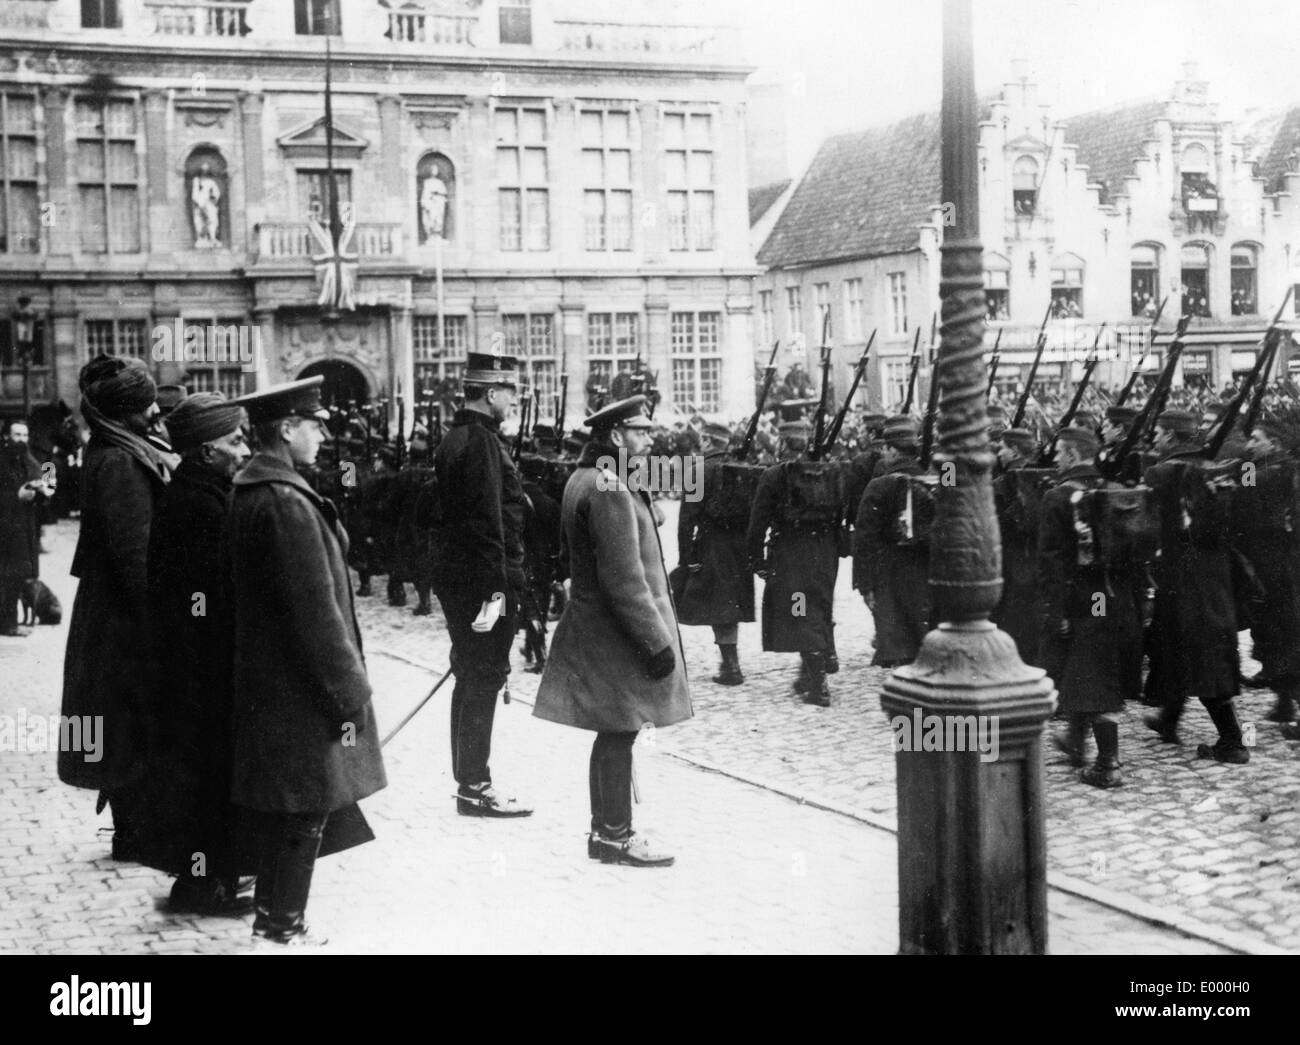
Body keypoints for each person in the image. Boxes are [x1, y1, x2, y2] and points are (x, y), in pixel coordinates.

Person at [226, 377, 387, 944]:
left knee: (285, 808)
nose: (323, 434)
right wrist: (351, 695)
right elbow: (316, 615)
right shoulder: (286, 503)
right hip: (300, 688)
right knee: (306, 810)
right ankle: (282, 929)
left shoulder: (254, 492)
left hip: (271, 682)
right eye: (313, 424)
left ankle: (273, 920)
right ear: (286, 429)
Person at [534, 395, 690, 866]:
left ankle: (608, 833)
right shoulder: (610, 488)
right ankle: (614, 836)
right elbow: (625, 581)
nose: (650, 438)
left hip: (597, 626)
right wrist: (656, 643)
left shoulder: (589, 479)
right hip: (617, 631)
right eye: (640, 431)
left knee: (614, 732)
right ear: (616, 437)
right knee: (620, 732)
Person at [142, 393, 254, 915]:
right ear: (207, 450)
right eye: (234, 441)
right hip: (201, 666)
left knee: (204, 780)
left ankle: (209, 879)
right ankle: (202, 884)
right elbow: (201, 593)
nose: (243, 449)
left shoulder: (198, 491)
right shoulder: (198, 504)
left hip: (193, 661)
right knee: (206, 782)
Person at [59, 355, 168, 861]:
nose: (154, 410)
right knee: (133, 720)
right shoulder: (122, 462)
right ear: (125, 412)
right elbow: (135, 556)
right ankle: (136, 831)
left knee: (124, 722)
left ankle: (134, 826)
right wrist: (161, 623)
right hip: (125, 620)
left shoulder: (112, 448)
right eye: (145, 403)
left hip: (111, 613)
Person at [428, 350, 532, 817]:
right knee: (484, 679)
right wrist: (495, 598)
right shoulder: (483, 444)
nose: (515, 400)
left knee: (470, 677)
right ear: (491, 394)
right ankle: (475, 786)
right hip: (482, 588)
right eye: (510, 392)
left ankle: (468, 783)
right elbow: (489, 525)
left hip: (461, 583)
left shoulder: (457, 438)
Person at [1038, 427, 1146, 788]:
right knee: (1088, 667)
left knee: (1095, 673)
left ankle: (1108, 764)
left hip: (1084, 599)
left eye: (1058, 453)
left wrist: (1057, 611)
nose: (1054, 459)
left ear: (1071, 455)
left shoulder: (1057, 497)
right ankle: (1075, 741)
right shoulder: (1117, 492)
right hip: (1116, 595)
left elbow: (1051, 562)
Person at [1142, 409, 1248, 763]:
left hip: (1181, 579)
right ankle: (1168, 720)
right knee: (1180, 650)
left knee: (1200, 653)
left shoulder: (1162, 473)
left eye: (1158, 433)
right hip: (1212, 573)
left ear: (1171, 436)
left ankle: (1232, 741)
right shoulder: (1213, 468)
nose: (1154, 439)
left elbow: (1149, 526)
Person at [748, 417, 844, 706]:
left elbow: (758, 522)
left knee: (800, 609)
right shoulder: (833, 472)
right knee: (818, 603)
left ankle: (818, 685)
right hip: (825, 552)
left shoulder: (775, 475)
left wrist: (756, 559)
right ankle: (810, 669)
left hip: (791, 555)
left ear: (782, 444)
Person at [675, 420, 757, 685]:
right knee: (729, 602)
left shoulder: (698, 470)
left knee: (717, 603)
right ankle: (730, 663)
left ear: (708, 442)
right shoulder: (742, 468)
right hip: (740, 545)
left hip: (711, 544)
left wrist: (686, 558)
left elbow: (687, 520)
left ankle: (731, 666)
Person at [1235, 418, 1300, 732]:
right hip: (1282, 562)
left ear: (1273, 444)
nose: (1249, 445)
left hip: (1269, 565)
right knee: (1279, 633)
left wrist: (1243, 466)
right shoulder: (1290, 469)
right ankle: (1284, 700)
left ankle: (1290, 700)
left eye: (1256, 439)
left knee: (1280, 634)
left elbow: (1240, 500)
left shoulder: (1259, 475)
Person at [854, 416, 932, 669]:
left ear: (891, 451)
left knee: (898, 645)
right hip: (925, 571)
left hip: (888, 572)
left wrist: (865, 585)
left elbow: (864, 538)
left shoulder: (878, 486)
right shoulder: (935, 481)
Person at [0, 420, 50, 637]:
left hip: (24, 528)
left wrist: (42, 491)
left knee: (19, 575)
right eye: (17, 435)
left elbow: (43, 479)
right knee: (7, 576)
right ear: (7, 437)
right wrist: (16, 497)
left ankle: (10, 621)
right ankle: (7, 624)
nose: (21, 439)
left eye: (25, 435)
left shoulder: (29, 460)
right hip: (4, 529)